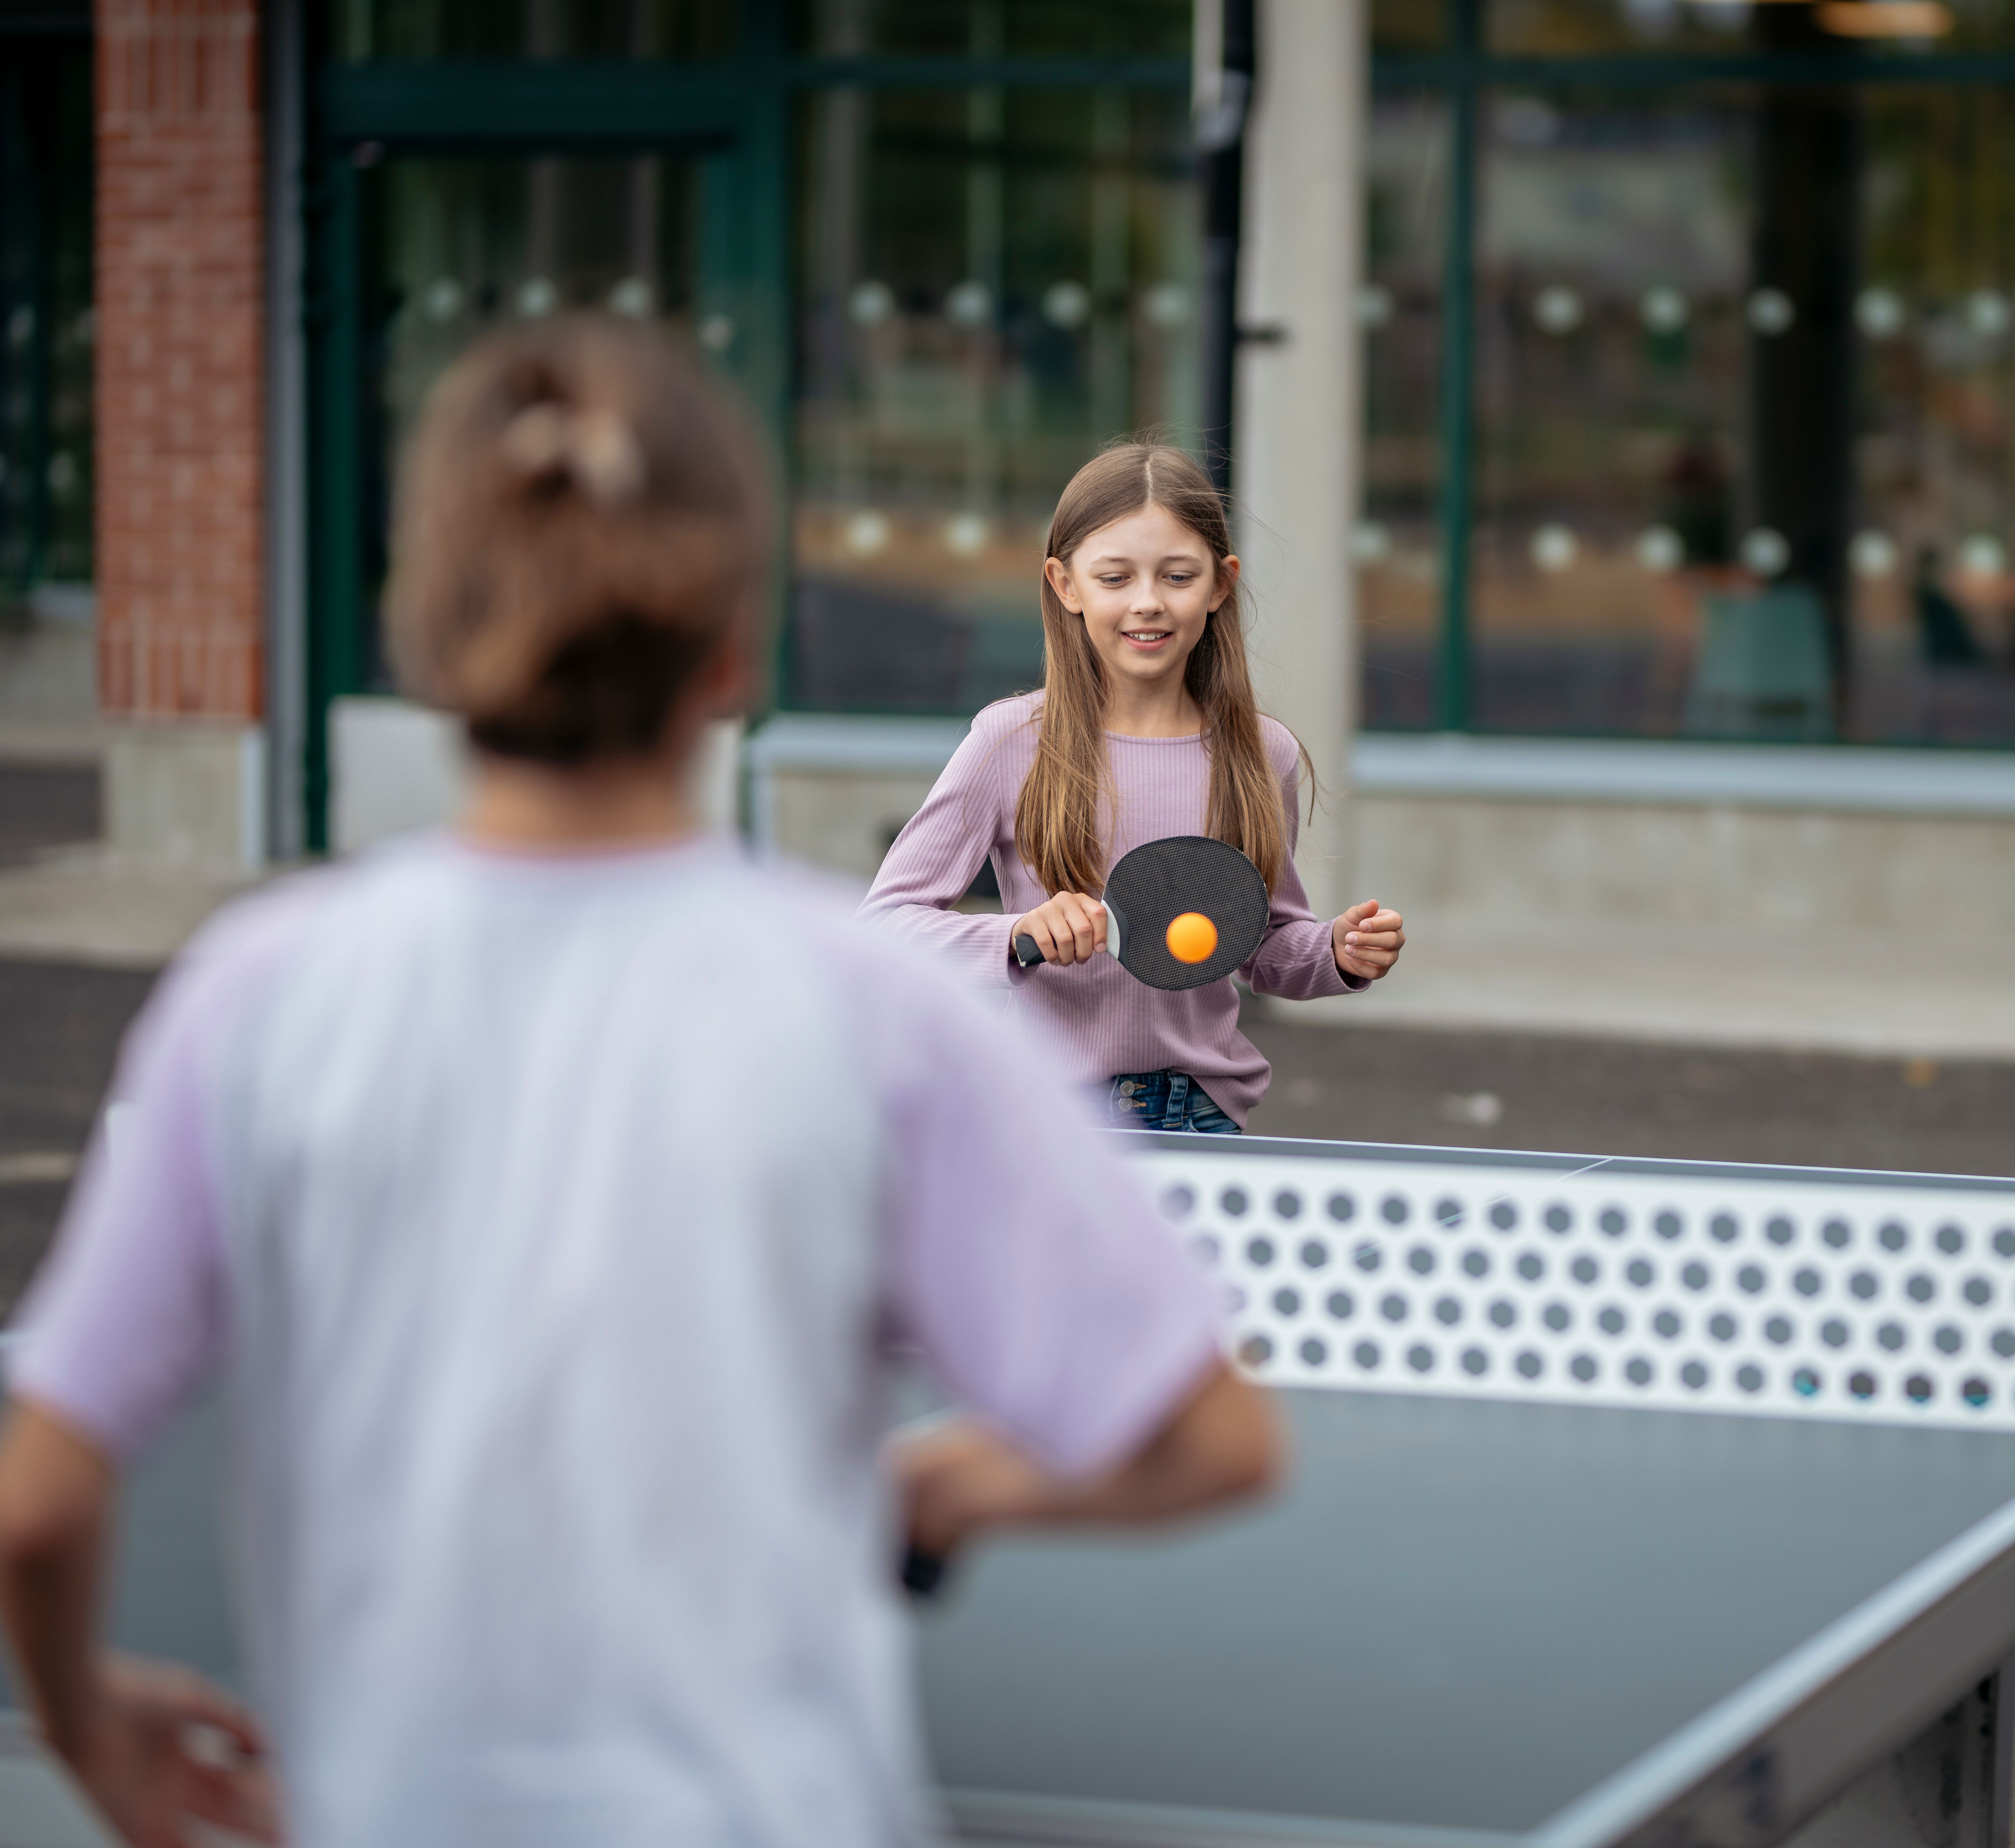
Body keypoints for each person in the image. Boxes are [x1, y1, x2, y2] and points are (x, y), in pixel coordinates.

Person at [0, 319, 1280, 1848]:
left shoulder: (255, 995)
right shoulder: (877, 1011)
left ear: (427, 635)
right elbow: (1211, 1440)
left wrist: (83, 1722)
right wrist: (936, 1489)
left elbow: (38, 1503)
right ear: (733, 652)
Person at [861, 440, 1403, 1134]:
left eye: (1177, 576)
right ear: (1065, 585)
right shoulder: (1008, 741)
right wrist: (1016, 934)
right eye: (1115, 578)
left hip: (1203, 1114)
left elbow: (1263, 944)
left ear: (1221, 584)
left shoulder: (1263, 754)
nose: (1148, 602)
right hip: (1048, 1117)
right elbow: (886, 926)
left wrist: (1335, 953)